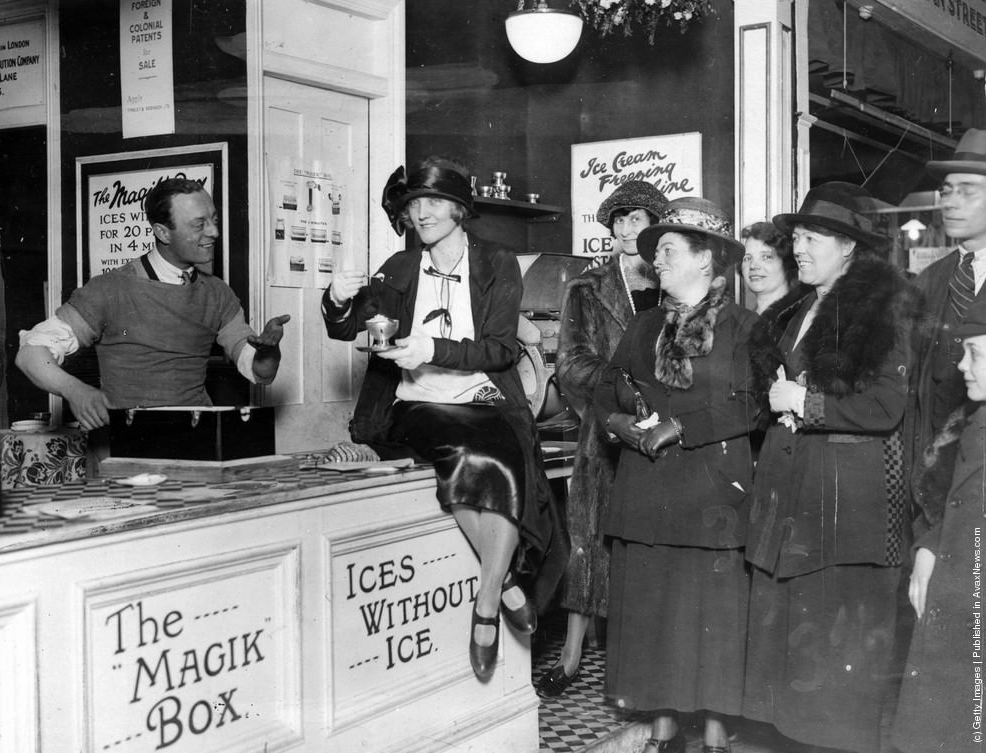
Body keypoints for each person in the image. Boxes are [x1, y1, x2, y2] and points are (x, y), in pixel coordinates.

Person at [322, 156, 567, 682]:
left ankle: (485, 601)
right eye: (413, 205)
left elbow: (500, 349)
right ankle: (501, 588)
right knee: (463, 455)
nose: (422, 213)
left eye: (433, 202)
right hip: (415, 402)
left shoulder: (497, 262)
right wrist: (337, 301)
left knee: (501, 458)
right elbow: (349, 330)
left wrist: (433, 345)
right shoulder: (400, 267)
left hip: (484, 395)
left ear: (458, 208)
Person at [743, 182, 918, 753]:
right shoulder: (800, 307)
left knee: (840, 673)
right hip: (801, 503)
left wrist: (804, 404)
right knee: (804, 664)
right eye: (796, 237)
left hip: (848, 516)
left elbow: (885, 408)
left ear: (847, 247)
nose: (798, 247)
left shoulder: (879, 307)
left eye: (811, 237)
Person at [593, 197, 761, 753]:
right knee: (653, 607)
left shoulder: (744, 328)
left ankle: (714, 735)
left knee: (711, 613)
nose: (656, 262)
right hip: (646, 489)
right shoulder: (643, 328)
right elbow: (604, 387)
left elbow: (754, 407)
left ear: (706, 259)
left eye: (667, 250)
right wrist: (618, 420)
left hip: (713, 492)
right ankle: (664, 731)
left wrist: (680, 429)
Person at [16, 178, 290, 430]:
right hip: (126, 445)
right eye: (199, 224)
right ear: (162, 232)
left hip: (196, 441)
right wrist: (76, 391)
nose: (214, 232)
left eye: (214, 220)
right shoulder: (110, 288)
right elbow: (30, 354)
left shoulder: (218, 293)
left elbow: (259, 371)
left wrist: (269, 351)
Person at [537, 180, 666, 698]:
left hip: (670, 437)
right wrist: (631, 393)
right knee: (590, 544)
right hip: (607, 436)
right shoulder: (586, 288)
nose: (627, 229)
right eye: (619, 220)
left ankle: (646, 664)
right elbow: (571, 366)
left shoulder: (675, 282)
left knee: (653, 549)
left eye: (637, 219)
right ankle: (571, 658)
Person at [892, 296, 986, 753]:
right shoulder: (974, 420)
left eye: (976, 354)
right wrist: (927, 547)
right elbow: (952, 500)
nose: (962, 366)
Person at [906, 128, 986, 537]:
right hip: (932, 490)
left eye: (967, 190)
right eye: (947, 189)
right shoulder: (927, 282)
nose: (950, 202)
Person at [739, 220, 796, 314]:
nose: (753, 266)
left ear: (786, 262)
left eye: (766, 257)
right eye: (747, 258)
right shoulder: (745, 323)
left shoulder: (799, 319)